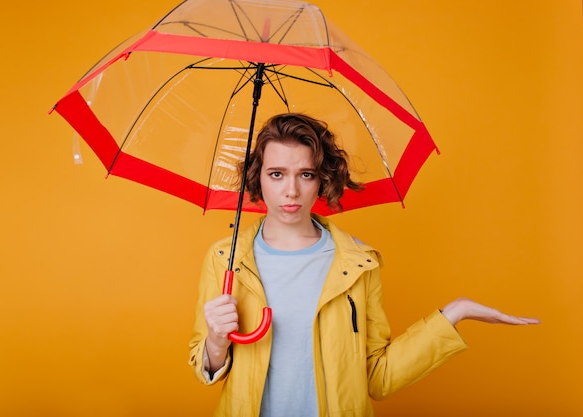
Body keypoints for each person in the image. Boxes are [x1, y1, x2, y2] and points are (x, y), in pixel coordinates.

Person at [188, 113, 540, 417]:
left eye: (306, 174)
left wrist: (453, 314)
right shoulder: (225, 259)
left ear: (322, 179)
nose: (291, 190)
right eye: (277, 174)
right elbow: (205, 366)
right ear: (258, 177)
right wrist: (217, 342)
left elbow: (378, 377)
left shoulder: (357, 263)